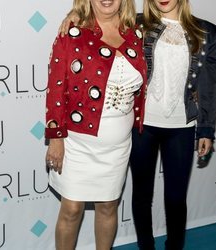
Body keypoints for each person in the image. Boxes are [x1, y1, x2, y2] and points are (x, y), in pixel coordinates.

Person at [59, 0, 216, 249]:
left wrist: (207, 129)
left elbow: (208, 86)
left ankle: (174, 246)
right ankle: (146, 246)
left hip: (182, 126)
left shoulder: (207, 32)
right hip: (142, 124)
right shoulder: (135, 24)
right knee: (142, 195)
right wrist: (74, 15)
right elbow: (97, 18)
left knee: (176, 198)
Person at [44, 0, 147, 249]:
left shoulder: (135, 33)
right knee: (71, 208)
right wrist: (56, 138)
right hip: (78, 143)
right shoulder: (71, 33)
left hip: (119, 145)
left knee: (109, 205)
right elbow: (56, 89)